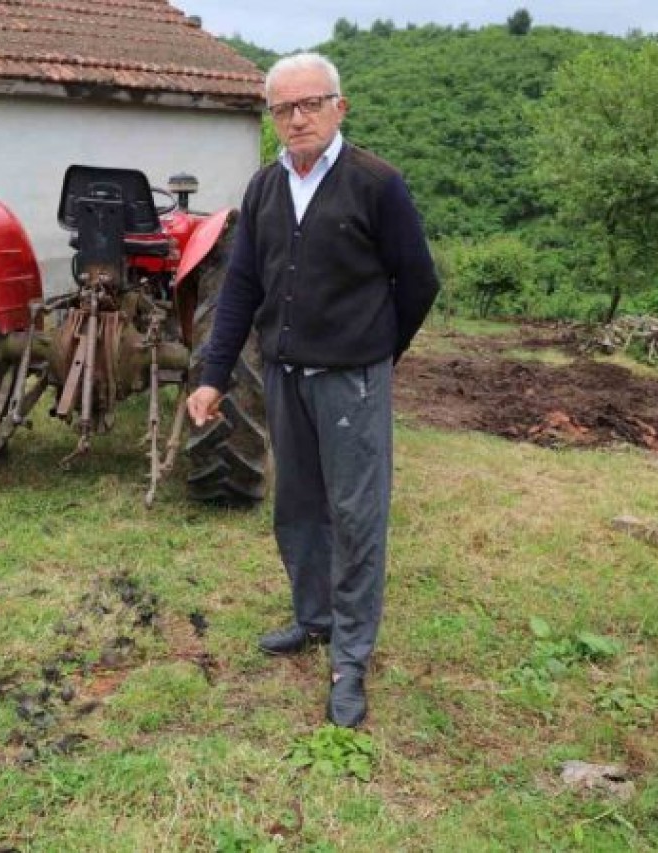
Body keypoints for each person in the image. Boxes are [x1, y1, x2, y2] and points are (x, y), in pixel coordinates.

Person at [186, 52, 439, 728]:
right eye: (282, 108)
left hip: (352, 377)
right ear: (271, 117)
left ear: (338, 108)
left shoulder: (377, 185)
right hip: (284, 375)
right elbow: (241, 287)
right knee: (297, 505)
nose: (296, 118)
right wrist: (213, 376)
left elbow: (418, 282)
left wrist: (379, 354)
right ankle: (314, 617)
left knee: (356, 515)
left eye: (310, 104)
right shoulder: (265, 188)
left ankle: (351, 657)